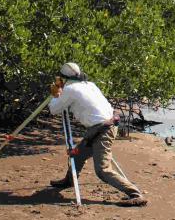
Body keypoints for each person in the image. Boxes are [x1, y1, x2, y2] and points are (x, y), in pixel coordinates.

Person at [47, 62, 147, 207]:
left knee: (103, 170)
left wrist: (55, 95)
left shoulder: (69, 89)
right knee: (77, 155)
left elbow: (53, 109)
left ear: (64, 78)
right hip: (106, 125)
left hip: (102, 129)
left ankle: (135, 194)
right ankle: (69, 181)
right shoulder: (90, 84)